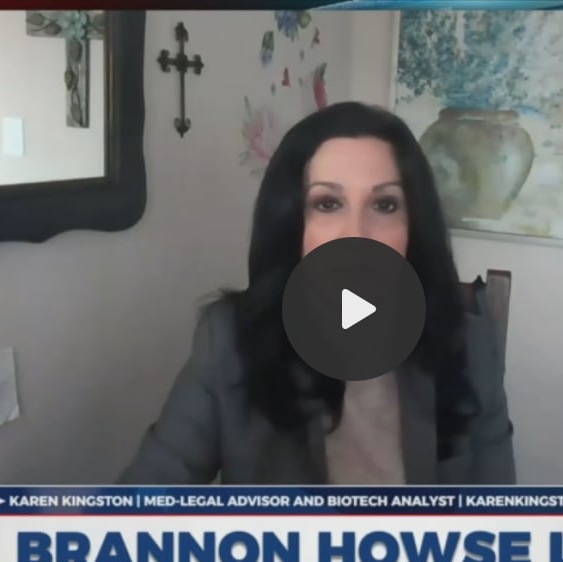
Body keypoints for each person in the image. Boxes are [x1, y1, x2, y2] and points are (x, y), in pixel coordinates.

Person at [119, 102, 515, 485]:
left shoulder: (470, 343)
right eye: (328, 203)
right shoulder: (228, 342)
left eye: (384, 204)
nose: (357, 235)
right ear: (292, 223)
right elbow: (145, 496)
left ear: (413, 225)